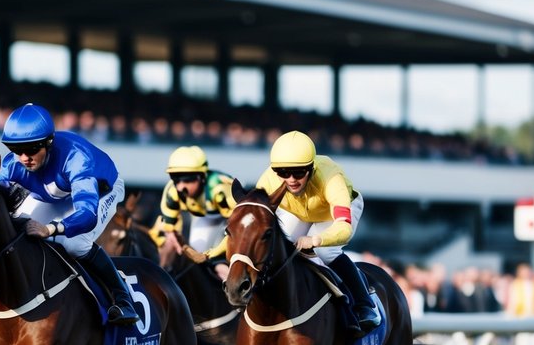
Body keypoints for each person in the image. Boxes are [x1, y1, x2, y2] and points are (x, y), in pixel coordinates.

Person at [205, 130, 381, 334]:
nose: (291, 179)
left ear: (311, 168)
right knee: (275, 242)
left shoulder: (332, 179)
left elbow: (344, 228)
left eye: (298, 173)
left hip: (333, 214)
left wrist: (316, 239)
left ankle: (365, 303)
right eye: (283, 173)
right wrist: (214, 251)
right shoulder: (269, 179)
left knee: (325, 252)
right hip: (297, 211)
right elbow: (251, 228)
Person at [0, 103, 138, 326]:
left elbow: (87, 215)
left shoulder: (76, 159)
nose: (24, 157)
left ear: (48, 143)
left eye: (32, 149)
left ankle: (123, 298)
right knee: (16, 230)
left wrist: (51, 228)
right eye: (16, 149)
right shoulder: (12, 164)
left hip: (100, 192)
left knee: (74, 243)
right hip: (54, 195)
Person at [149, 145, 238, 258]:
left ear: (202, 177)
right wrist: (170, 233)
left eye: (188, 179)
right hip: (206, 218)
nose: (180, 187)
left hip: (231, 219)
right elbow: (168, 225)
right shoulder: (172, 191)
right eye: (175, 179)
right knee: (198, 251)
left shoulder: (219, 188)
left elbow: (239, 223)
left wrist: (217, 252)